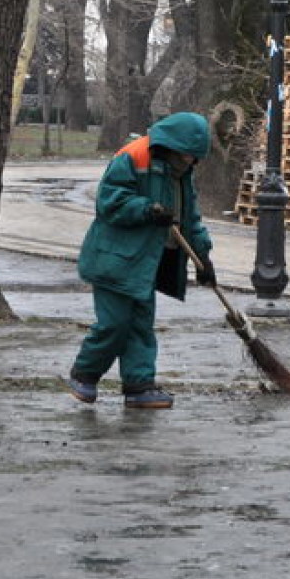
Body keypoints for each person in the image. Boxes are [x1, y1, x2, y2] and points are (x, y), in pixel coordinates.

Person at [67, 112, 216, 410]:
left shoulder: (182, 174)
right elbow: (109, 201)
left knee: (140, 327)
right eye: (187, 155)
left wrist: (203, 258)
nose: (190, 162)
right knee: (114, 324)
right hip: (113, 261)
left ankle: (139, 385)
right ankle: (84, 373)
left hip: (145, 264)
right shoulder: (133, 157)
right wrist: (146, 209)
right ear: (174, 146)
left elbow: (192, 219)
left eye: (194, 157)